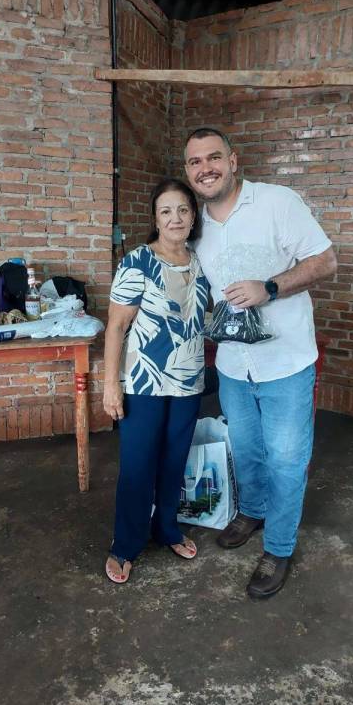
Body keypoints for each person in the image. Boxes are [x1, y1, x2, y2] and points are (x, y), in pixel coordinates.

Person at [184, 127, 337, 599]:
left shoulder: (277, 202)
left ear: (233, 161)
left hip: (285, 362)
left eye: (213, 157)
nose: (205, 168)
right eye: (195, 162)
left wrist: (269, 288)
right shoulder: (195, 225)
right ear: (188, 172)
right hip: (234, 364)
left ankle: (279, 546)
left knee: (287, 460)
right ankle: (252, 510)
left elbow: (325, 261)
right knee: (246, 450)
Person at [103, 178, 208, 584]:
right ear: (156, 218)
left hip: (188, 381)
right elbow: (116, 327)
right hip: (143, 383)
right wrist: (111, 385)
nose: (175, 218)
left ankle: (167, 529)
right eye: (166, 211)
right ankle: (125, 545)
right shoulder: (138, 262)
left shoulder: (200, 261)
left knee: (174, 461)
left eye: (182, 209)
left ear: (193, 216)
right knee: (137, 464)